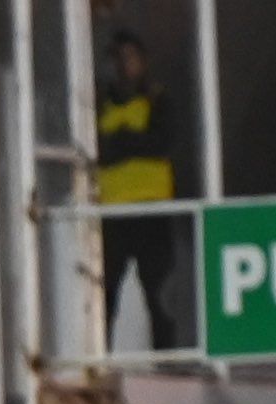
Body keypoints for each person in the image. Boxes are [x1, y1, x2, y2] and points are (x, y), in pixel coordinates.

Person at [98, 31, 177, 351]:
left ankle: (168, 363)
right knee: (104, 295)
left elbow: (162, 143)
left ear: (143, 62)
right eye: (118, 58)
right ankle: (99, 362)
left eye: (130, 57)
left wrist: (123, 141)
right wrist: (133, 141)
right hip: (111, 210)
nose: (124, 65)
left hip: (152, 209)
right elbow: (97, 150)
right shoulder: (98, 103)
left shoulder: (158, 99)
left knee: (160, 295)